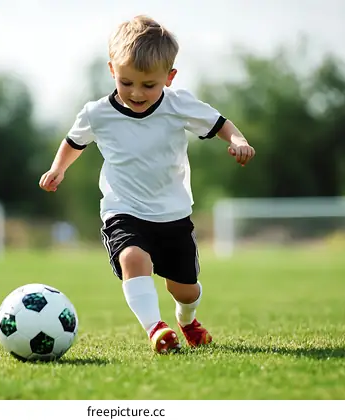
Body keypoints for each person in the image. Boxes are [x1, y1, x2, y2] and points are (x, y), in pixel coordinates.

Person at [40, 15, 255, 354]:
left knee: (185, 290)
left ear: (169, 78)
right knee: (133, 258)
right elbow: (74, 141)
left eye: (148, 85)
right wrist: (57, 169)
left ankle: (186, 321)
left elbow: (220, 124)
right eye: (126, 83)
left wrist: (239, 140)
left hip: (172, 214)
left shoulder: (178, 104)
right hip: (123, 210)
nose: (136, 93)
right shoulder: (98, 113)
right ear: (112, 70)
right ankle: (156, 328)